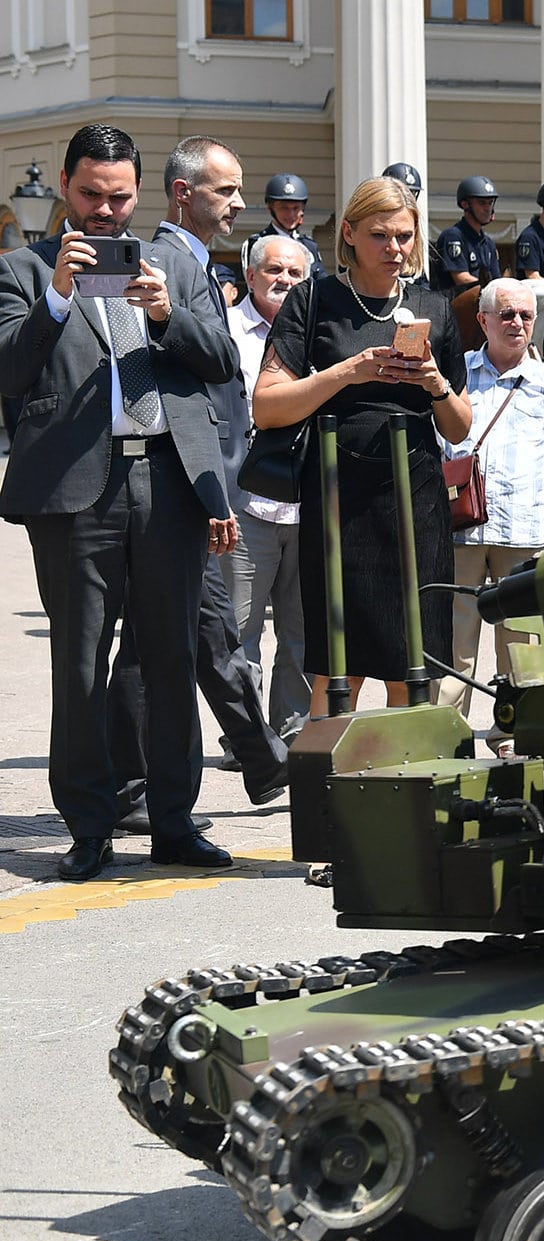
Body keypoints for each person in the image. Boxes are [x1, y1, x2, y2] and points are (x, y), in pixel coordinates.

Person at [0, 124, 242, 878]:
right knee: (79, 665)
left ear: (143, 193)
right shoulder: (21, 267)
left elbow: (223, 363)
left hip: (168, 482)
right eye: (90, 197)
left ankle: (173, 821)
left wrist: (169, 313)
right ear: (67, 189)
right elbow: (7, 373)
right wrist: (57, 297)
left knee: (171, 657)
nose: (106, 214)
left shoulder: (175, 262)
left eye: (120, 197)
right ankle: (90, 828)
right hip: (74, 494)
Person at [115, 136, 288, 818]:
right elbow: (176, 391)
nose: (240, 203)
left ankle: (263, 762)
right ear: (183, 192)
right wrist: (210, 492)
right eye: (226, 190)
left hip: (197, 481)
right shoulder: (160, 262)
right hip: (178, 483)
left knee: (204, 630)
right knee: (150, 640)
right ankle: (131, 783)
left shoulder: (192, 262)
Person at [252, 175, 472, 713]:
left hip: (415, 492)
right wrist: (348, 371)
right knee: (336, 660)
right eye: (380, 235)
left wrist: (432, 383)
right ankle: (331, 789)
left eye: (404, 236)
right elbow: (267, 403)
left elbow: (460, 427)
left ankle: (402, 783)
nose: (395, 249)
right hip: (337, 493)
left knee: (412, 656)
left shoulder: (435, 308)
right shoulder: (314, 299)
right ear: (348, 233)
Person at [443, 278, 544, 732]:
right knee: (456, 641)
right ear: (483, 320)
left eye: (526, 316)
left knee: (524, 641)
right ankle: (447, 732)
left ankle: (517, 732)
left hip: (528, 530)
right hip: (462, 530)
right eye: (507, 314)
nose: (517, 323)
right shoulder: (453, 376)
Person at [226, 232, 315, 737]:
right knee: (240, 631)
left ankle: (293, 733)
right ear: (251, 276)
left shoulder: (318, 333)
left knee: (300, 631)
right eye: (274, 271)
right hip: (246, 505)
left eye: (295, 273)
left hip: (306, 505)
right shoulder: (230, 333)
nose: (284, 280)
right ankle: (246, 737)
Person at [434, 175, 501, 294]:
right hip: (452, 308)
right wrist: (491, 289)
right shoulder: (453, 237)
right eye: (482, 203)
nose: (488, 208)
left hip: (482, 304)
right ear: (465, 204)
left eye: (490, 203)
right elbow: (461, 278)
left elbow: (496, 279)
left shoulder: (488, 243)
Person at [256, 172, 325, 280]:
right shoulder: (258, 244)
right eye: (284, 208)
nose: (291, 215)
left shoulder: (309, 246)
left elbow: (321, 281)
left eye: (296, 208)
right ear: (270, 208)